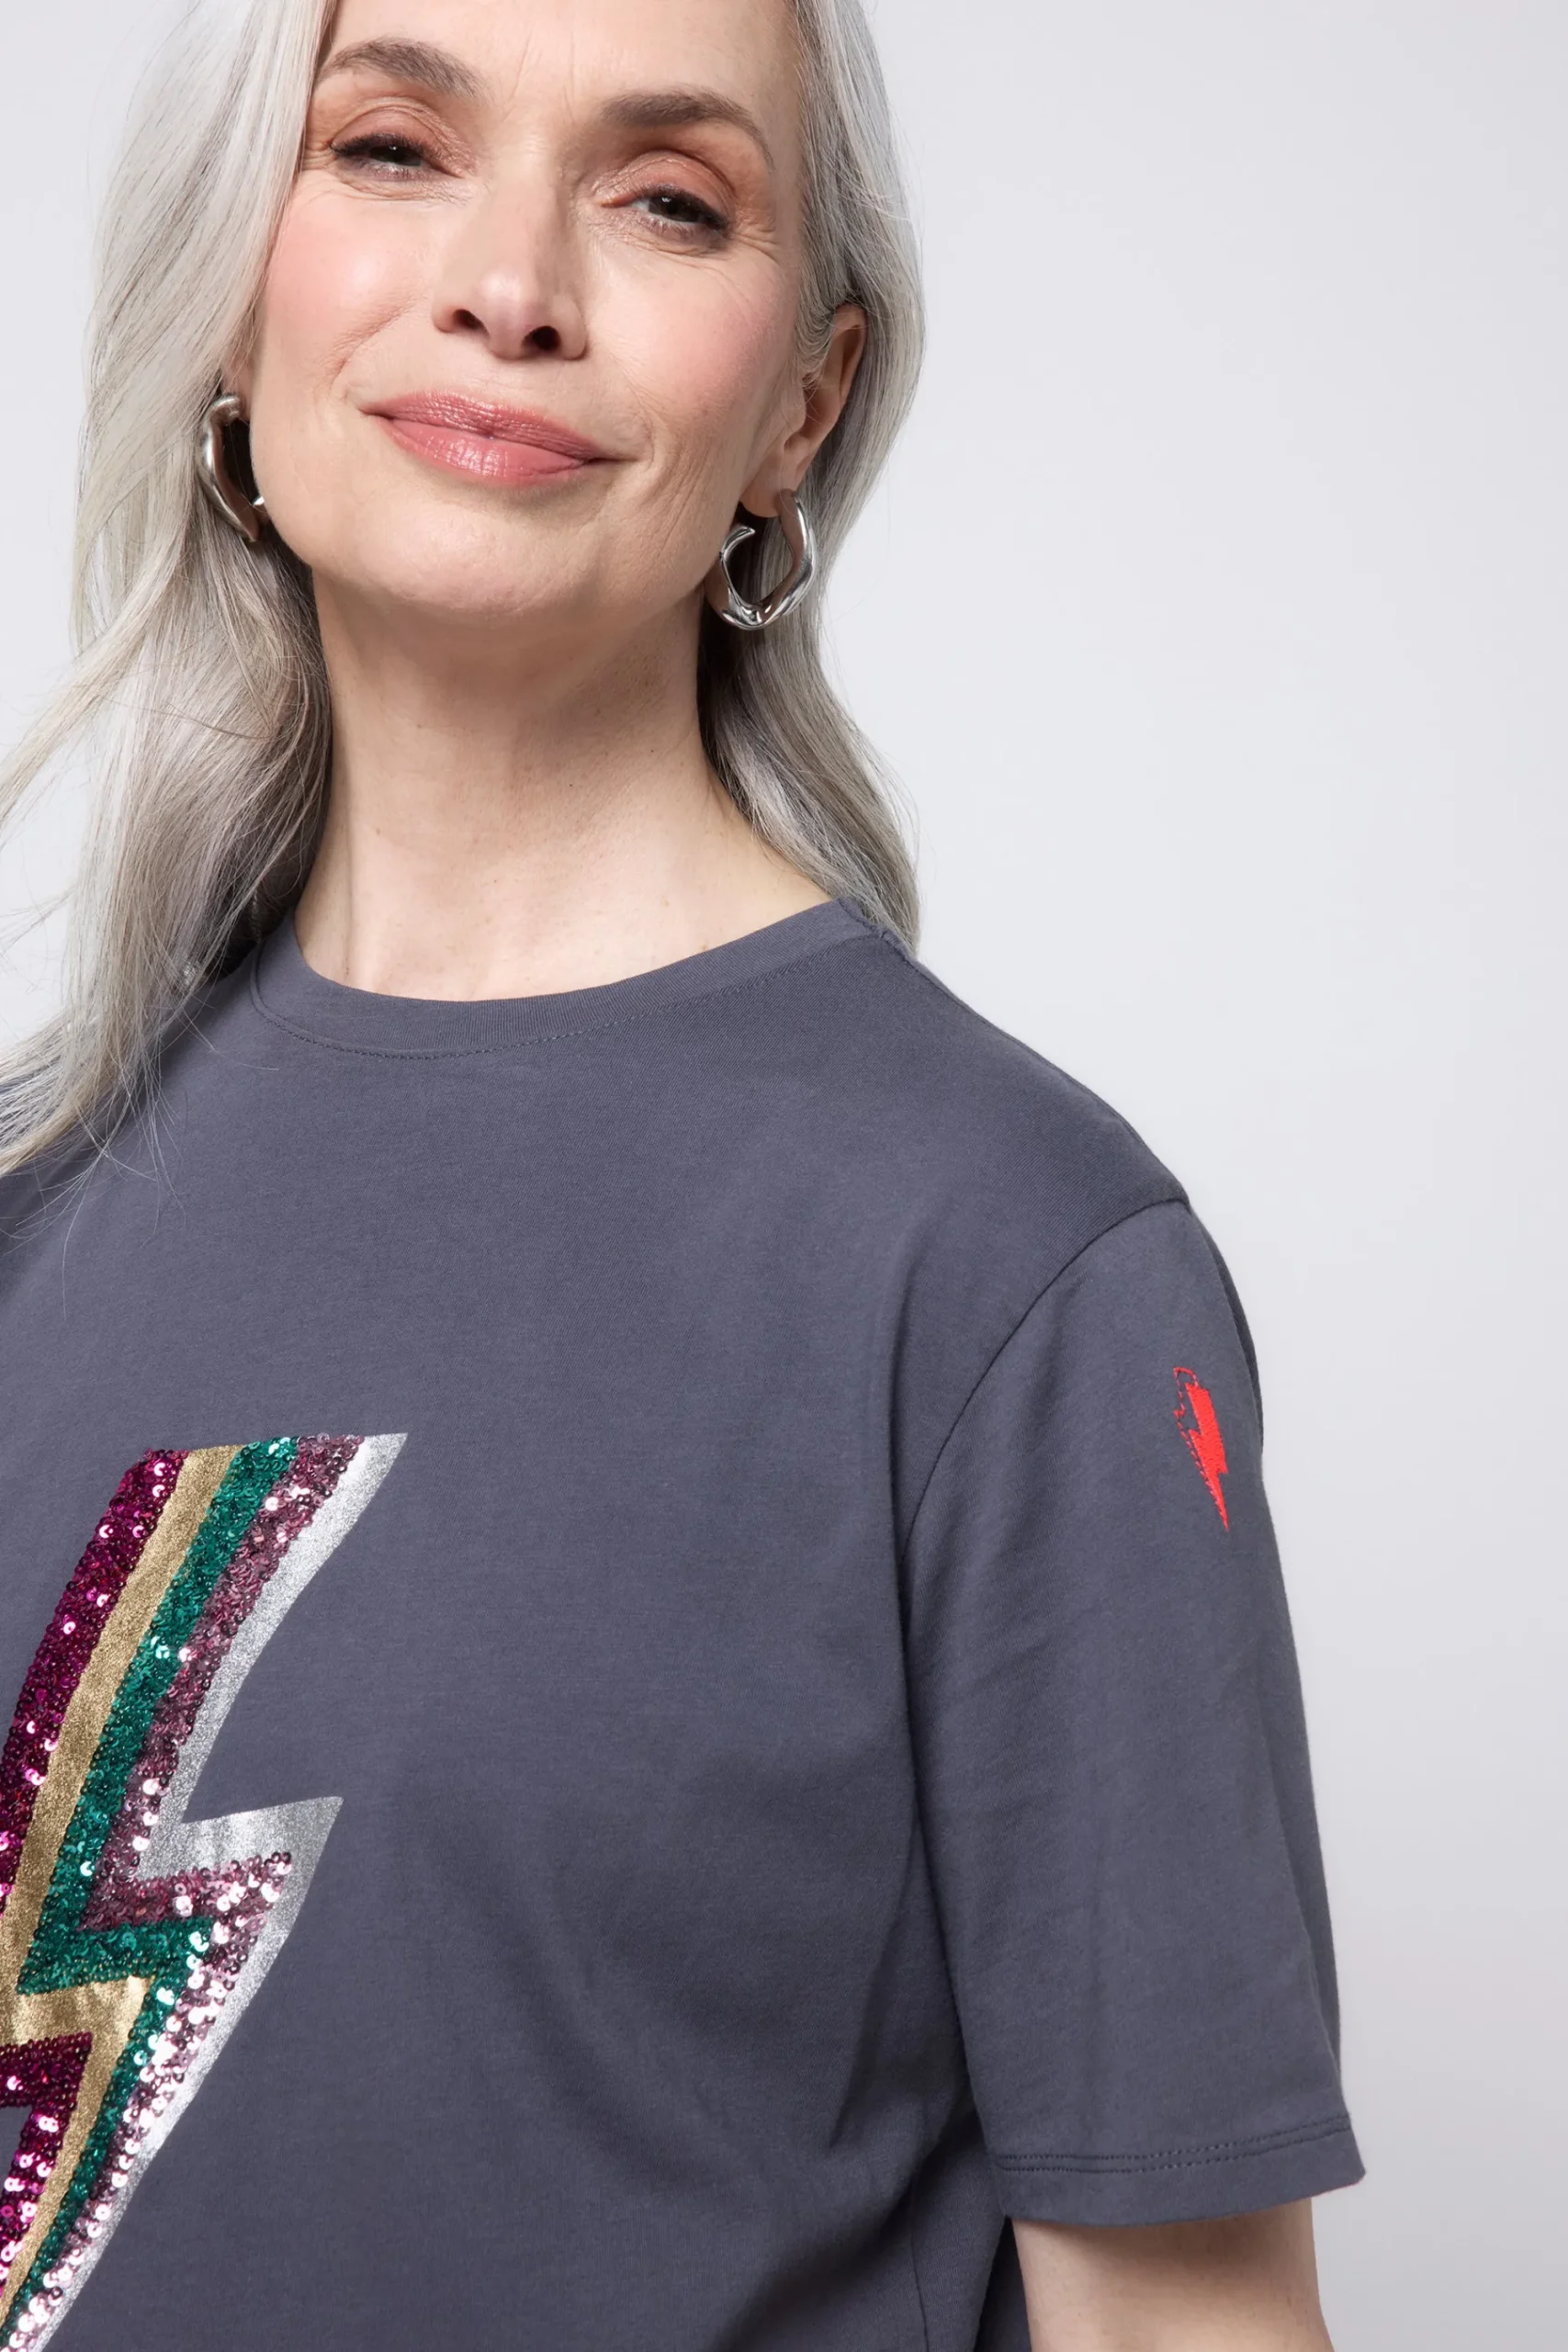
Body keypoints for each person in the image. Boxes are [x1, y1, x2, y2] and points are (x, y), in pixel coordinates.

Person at [0, 0, 1362, 2346]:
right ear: (231, 286)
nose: (509, 283)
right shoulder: (41, 1195)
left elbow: (1186, 2324)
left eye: (666, 198)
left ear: (802, 407)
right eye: (393, 146)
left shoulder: (1014, 1268)